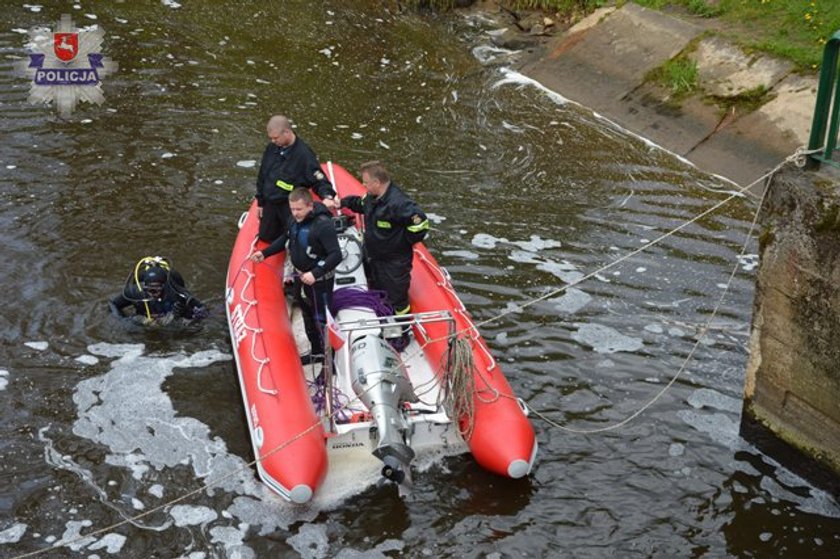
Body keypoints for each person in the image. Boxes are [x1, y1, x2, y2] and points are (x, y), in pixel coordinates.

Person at [250, 188, 341, 362]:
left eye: (299, 209)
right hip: (301, 277)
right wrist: (265, 253)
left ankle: (329, 363)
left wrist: (315, 273)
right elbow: (285, 238)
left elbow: (336, 255)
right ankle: (316, 353)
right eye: (292, 209)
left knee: (322, 320)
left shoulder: (323, 225)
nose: (295, 213)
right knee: (307, 315)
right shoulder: (293, 220)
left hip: (320, 281)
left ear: (310, 206)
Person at [337, 161, 429, 323]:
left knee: (397, 298)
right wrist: (343, 202)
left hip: (393, 261)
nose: (364, 185)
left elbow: (420, 226)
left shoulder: (399, 203)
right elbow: (361, 205)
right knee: (378, 288)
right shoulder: (372, 197)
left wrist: (401, 243)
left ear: (377, 182)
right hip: (376, 256)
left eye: (365, 182)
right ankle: (382, 315)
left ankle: (402, 328)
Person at [255, 115, 338, 243]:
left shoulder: (304, 156)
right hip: (271, 202)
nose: (273, 141)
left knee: (294, 237)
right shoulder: (272, 148)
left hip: (289, 205)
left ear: (287, 132)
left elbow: (319, 180)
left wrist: (327, 196)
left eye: (275, 138)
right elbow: (263, 174)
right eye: (271, 138)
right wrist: (260, 201)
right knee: (265, 237)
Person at [109, 256, 205, 323]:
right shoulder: (136, 292)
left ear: (164, 287)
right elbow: (113, 303)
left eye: (156, 290)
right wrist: (122, 320)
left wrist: (186, 313)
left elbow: (203, 311)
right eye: (149, 290)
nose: (152, 294)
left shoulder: (176, 293)